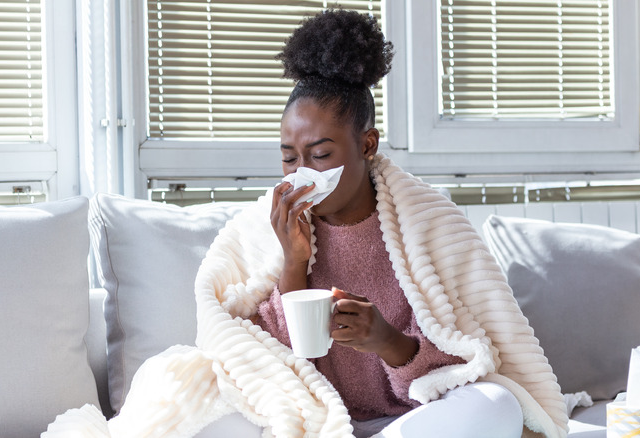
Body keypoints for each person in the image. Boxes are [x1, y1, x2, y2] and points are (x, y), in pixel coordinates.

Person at [44, 9, 568, 438]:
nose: (302, 174)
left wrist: (388, 341)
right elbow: (257, 358)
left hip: (411, 419)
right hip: (304, 414)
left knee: (495, 405)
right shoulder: (265, 227)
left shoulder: (430, 224)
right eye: (289, 158)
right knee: (195, 406)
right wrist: (293, 263)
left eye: (320, 154)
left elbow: (471, 356)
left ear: (366, 144)